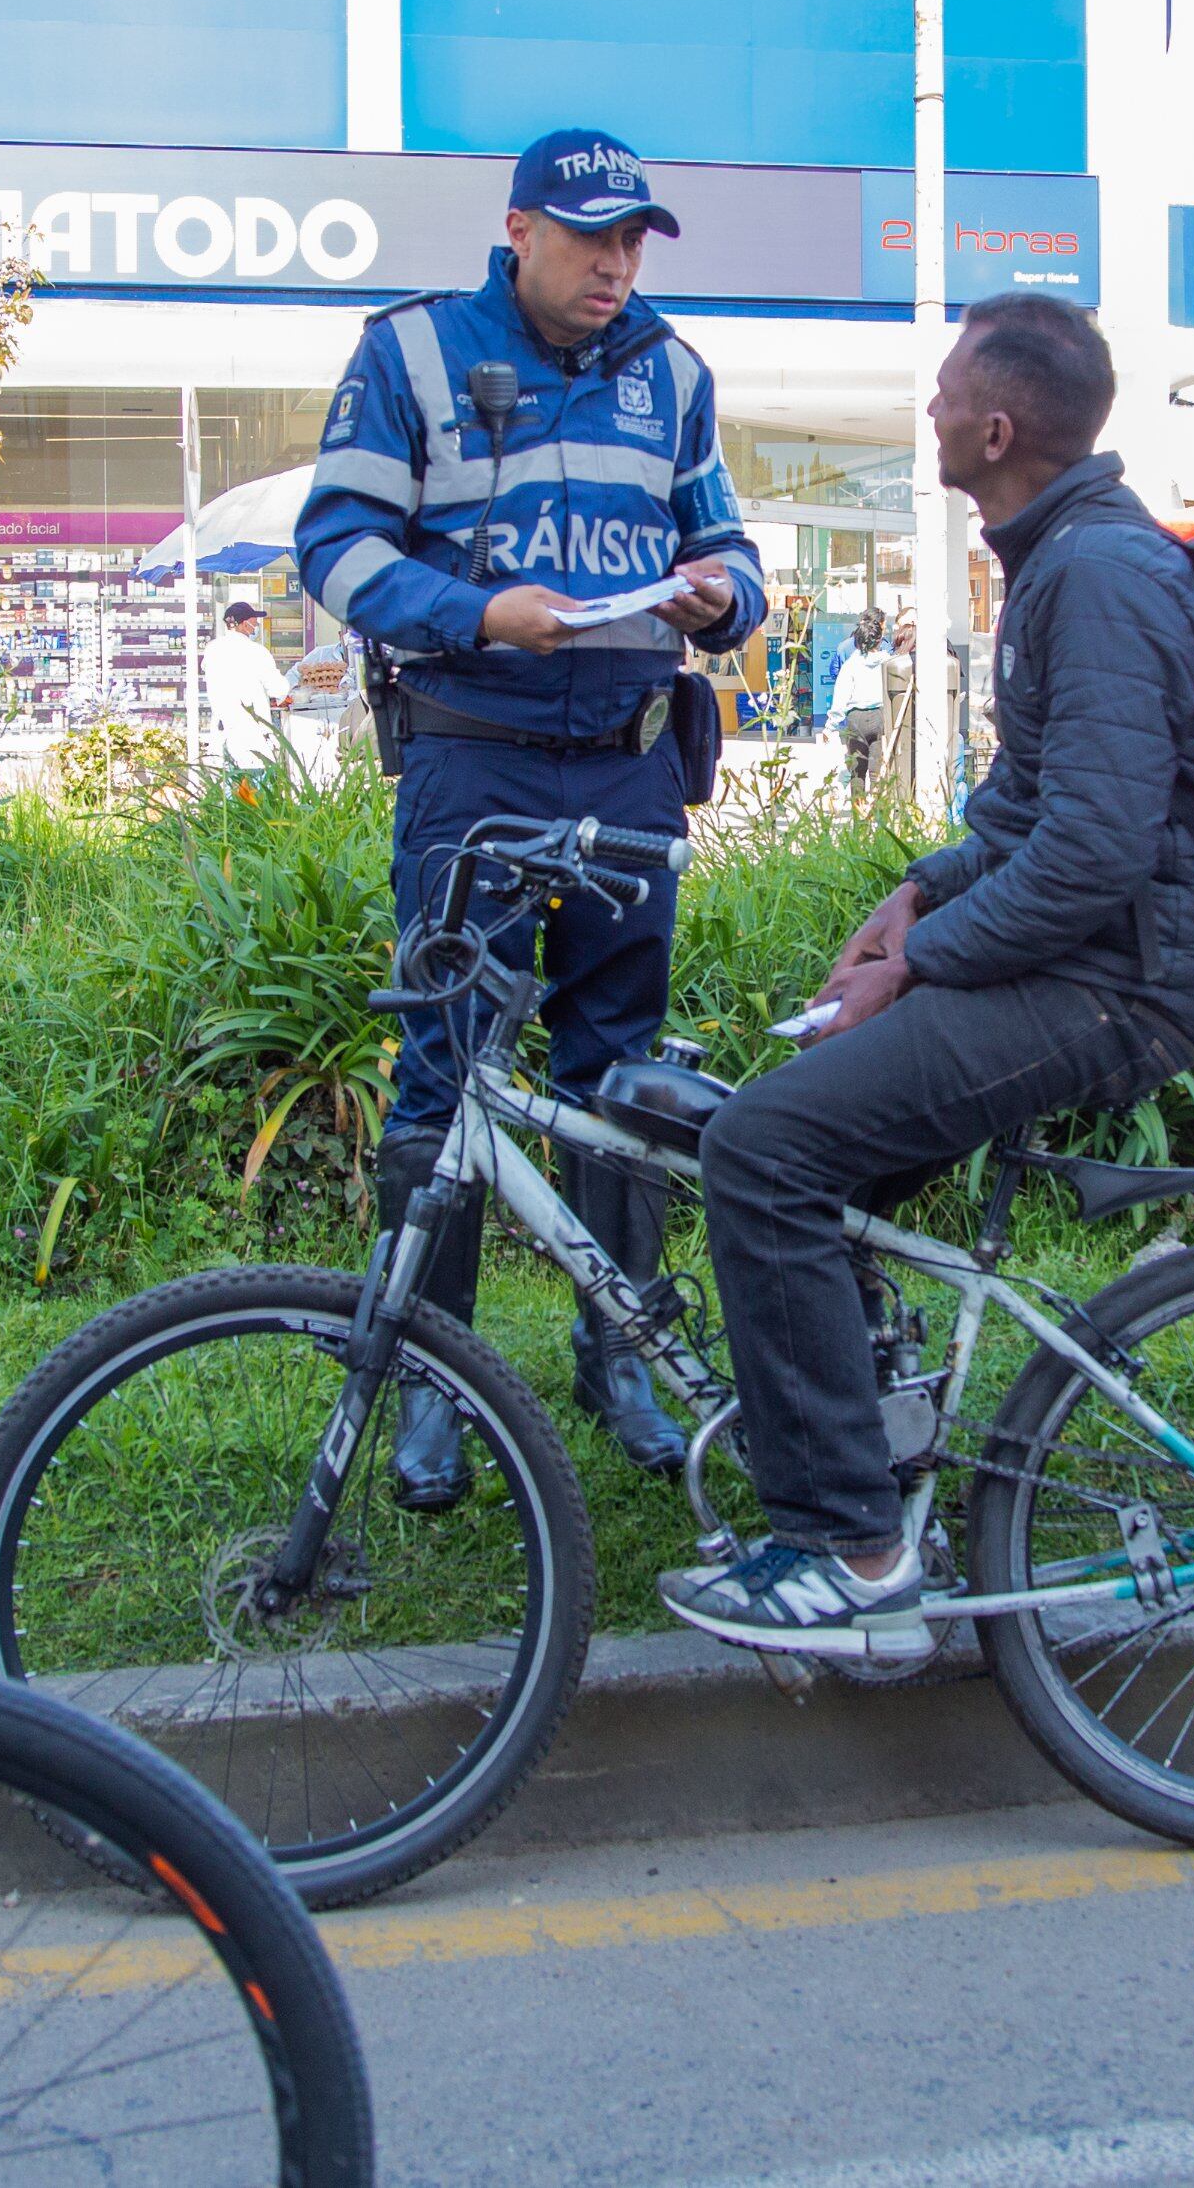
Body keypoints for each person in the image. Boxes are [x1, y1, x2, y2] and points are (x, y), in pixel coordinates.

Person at [659, 296, 1194, 1654]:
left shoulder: (1095, 575)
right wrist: (918, 889)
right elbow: (1036, 812)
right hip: (1084, 957)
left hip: (1115, 983)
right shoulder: (1065, 558)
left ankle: (850, 1555)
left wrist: (915, 964)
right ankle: (876, 1437)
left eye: (941, 388)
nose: (924, 408)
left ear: (995, 423)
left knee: (761, 1149)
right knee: (810, 1143)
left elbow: (1092, 852)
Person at [291, 128, 766, 1503]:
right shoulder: (412, 355)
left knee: (619, 1071)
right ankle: (434, 1381)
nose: (617, 263)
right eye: (590, 237)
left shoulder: (675, 373)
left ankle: (618, 1351)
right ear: (518, 228)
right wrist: (473, 612)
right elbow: (335, 546)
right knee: (447, 1071)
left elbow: (728, 543)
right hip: (473, 759)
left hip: (629, 762)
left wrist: (722, 596)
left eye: (634, 241)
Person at [205, 596, 291, 774]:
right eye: (254, 622)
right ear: (244, 624)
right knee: (256, 796)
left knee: (230, 796)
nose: (257, 626)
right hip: (252, 739)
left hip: (223, 736)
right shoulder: (256, 652)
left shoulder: (212, 649)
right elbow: (278, 689)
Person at [830, 610, 895, 788]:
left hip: (855, 719)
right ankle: (879, 814)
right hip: (879, 718)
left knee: (857, 772)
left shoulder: (851, 664)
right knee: (877, 772)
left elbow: (841, 697)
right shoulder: (888, 662)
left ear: (857, 640)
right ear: (879, 639)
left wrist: (831, 726)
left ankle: (859, 814)